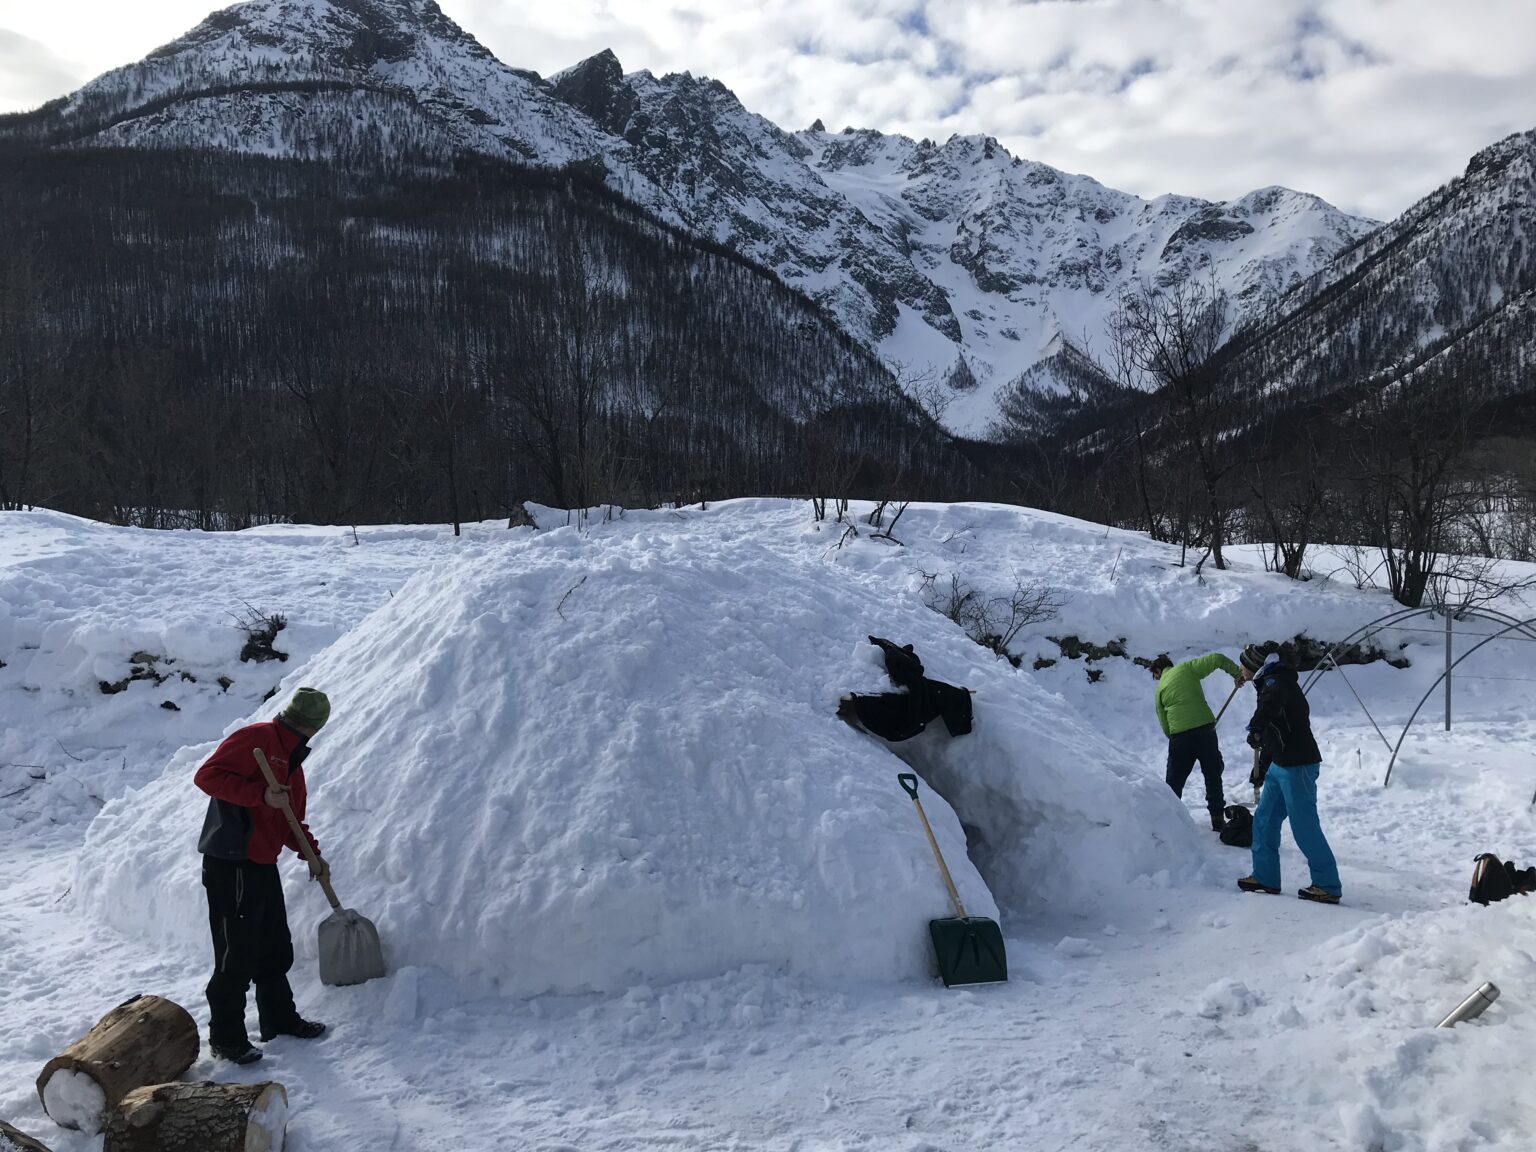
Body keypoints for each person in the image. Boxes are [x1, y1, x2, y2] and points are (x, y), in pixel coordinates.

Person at [194, 687, 333, 1063]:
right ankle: (226, 1037)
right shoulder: (257, 738)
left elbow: (290, 821)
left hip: (261, 863)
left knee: (273, 947)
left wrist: (313, 856)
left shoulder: (291, 763)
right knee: (235, 954)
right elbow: (206, 776)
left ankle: (279, 1019)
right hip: (231, 861)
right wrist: (259, 795)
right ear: (314, 726)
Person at [1234, 645, 1342, 904]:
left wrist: (1256, 726)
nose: (1240, 669)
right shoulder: (1268, 681)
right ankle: (1265, 877)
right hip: (1280, 764)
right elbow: (1279, 728)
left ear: (1255, 665)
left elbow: (1270, 707)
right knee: (1264, 819)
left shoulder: (1277, 682)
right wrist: (1263, 765)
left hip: (1299, 765)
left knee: (1304, 826)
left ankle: (1327, 884)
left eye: (1242, 665)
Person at [1153, 652, 1244, 831]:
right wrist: (1237, 674)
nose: (1156, 679)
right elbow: (1217, 658)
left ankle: (1169, 820)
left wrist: (1174, 738)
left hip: (1179, 737)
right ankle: (1217, 818)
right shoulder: (1187, 668)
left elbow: (1163, 720)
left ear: (1158, 670)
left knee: (1174, 781)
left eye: (1155, 675)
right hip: (1205, 730)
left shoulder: (1159, 690)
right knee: (1212, 774)